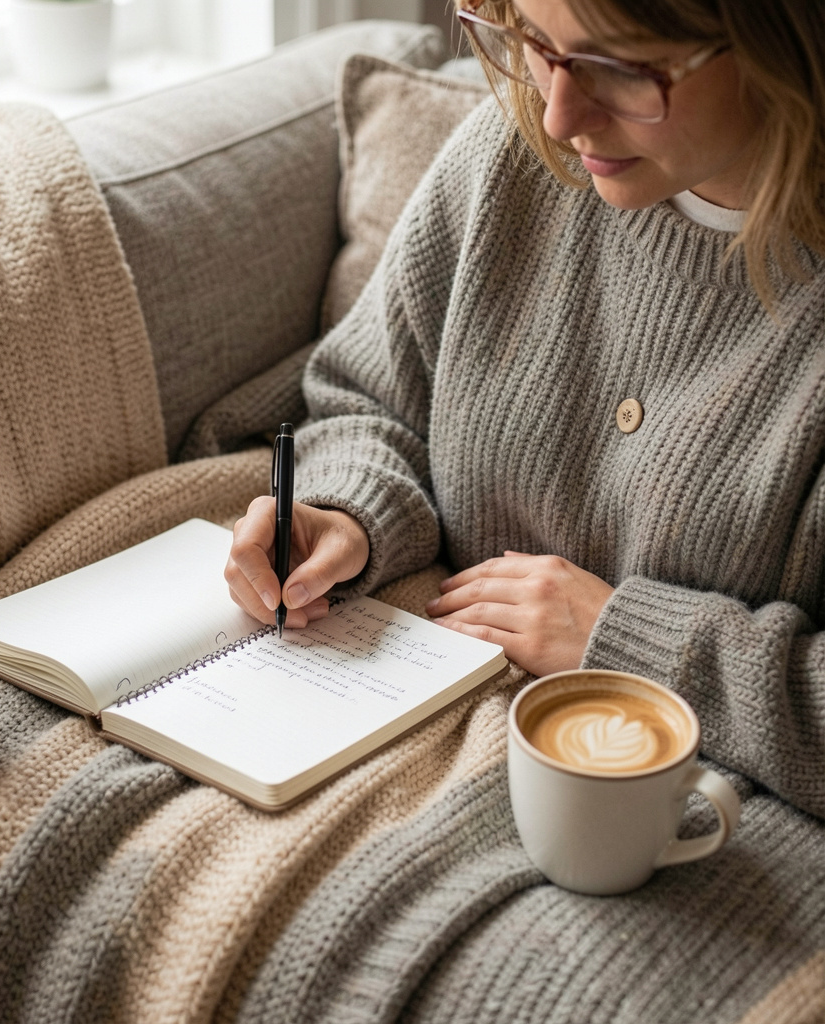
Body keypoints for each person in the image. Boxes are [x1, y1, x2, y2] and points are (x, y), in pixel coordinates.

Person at [225, 0, 824, 816]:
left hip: (694, 821)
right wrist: (348, 513)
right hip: (384, 725)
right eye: (536, 44)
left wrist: (625, 640)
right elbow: (367, 392)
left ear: (785, 46)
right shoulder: (510, 154)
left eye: (618, 67)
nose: (558, 111)